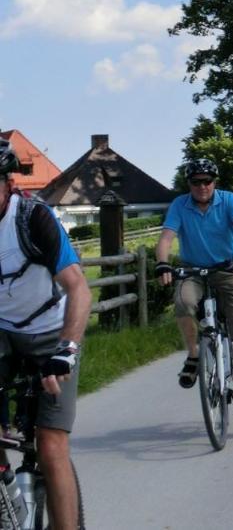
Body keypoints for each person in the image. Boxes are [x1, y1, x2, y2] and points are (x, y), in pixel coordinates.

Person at [0, 138, 90, 530]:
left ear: (9, 184)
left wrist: (67, 349)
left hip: (51, 333)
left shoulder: (33, 218)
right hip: (3, 334)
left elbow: (79, 288)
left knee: (51, 444)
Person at [155, 158, 233, 416]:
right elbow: (166, 238)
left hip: (227, 269)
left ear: (215, 182)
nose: (202, 186)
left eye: (207, 181)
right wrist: (163, 264)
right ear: (189, 184)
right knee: (183, 303)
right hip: (193, 270)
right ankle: (193, 354)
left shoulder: (228, 200)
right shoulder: (180, 205)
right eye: (196, 182)